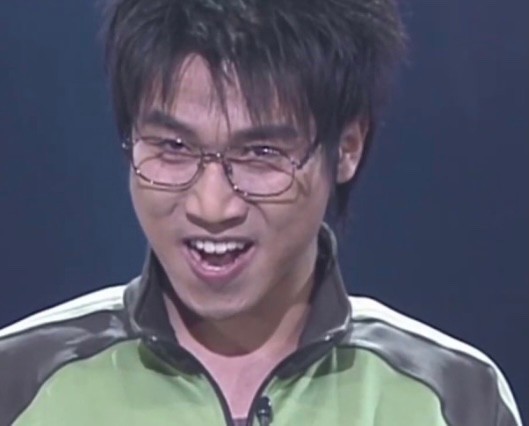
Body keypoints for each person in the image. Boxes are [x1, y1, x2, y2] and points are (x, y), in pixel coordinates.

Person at [0, 0, 522, 425]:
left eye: (261, 154)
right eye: (173, 147)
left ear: (347, 147)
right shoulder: (19, 384)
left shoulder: (455, 400)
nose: (212, 206)